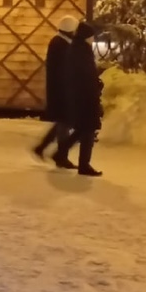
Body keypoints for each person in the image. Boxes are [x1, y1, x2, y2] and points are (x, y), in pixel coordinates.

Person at [61, 19, 104, 177]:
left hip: (81, 97)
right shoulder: (82, 52)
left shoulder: (77, 49)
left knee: (83, 130)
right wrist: (95, 87)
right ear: (86, 36)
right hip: (86, 98)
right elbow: (85, 76)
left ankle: (61, 153)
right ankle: (84, 165)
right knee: (88, 131)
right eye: (91, 36)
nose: (93, 39)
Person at [33, 16, 77, 162]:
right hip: (62, 91)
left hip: (60, 89)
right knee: (65, 122)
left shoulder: (59, 43)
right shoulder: (61, 45)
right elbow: (66, 69)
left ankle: (43, 148)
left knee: (63, 122)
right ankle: (61, 156)